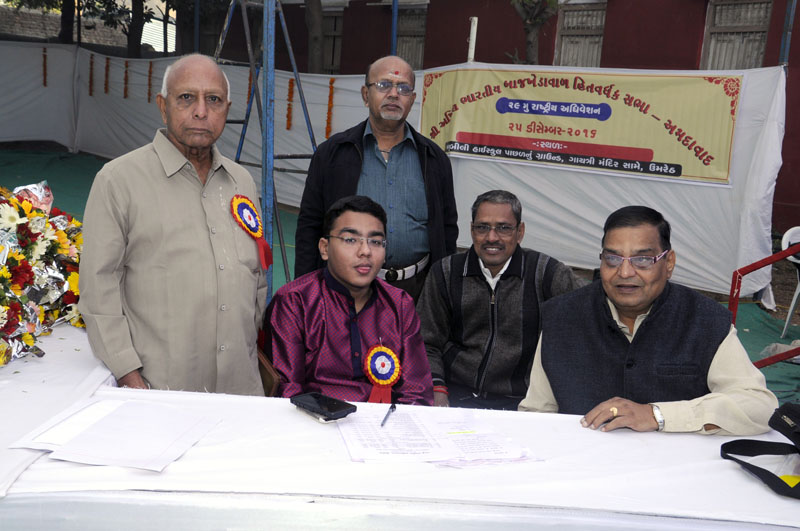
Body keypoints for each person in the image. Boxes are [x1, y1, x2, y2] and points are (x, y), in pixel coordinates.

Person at [79, 54, 267, 396]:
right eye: (186, 98)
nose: (201, 111)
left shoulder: (242, 181)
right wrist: (130, 377)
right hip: (159, 394)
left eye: (214, 100)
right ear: (163, 107)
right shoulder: (119, 180)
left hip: (241, 392)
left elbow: (256, 276)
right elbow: (98, 289)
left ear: (227, 109)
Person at [518, 206, 777, 435]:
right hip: (582, 464)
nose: (625, 272)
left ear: (669, 263)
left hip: (676, 466)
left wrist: (658, 415)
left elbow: (759, 405)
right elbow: (537, 412)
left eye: (642, 259)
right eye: (613, 259)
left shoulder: (704, 319)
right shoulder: (562, 316)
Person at [294, 55, 457, 301]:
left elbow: (447, 229)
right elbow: (310, 225)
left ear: (412, 99)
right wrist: (305, 292)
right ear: (365, 94)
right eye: (383, 85)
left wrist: (443, 292)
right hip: (346, 287)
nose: (394, 94)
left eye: (403, 88)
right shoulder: (332, 154)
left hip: (420, 291)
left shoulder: (434, 158)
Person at [416, 190, 582, 410]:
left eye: (503, 228)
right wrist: (437, 389)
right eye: (482, 227)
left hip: (522, 402)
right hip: (455, 395)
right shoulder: (446, 272)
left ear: (520, 232)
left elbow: (587, 318)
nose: (492, 238)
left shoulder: (548, 274)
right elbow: (426, 341)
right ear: (471, 230)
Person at [270, 195, 433, 405]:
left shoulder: (399, 304)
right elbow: (287, 391)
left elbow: (416, 392)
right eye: (350, 240)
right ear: (325, 248)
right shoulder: (295, 302)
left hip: (385, 422)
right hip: (312, 419)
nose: (365, 251)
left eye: (376, 242)